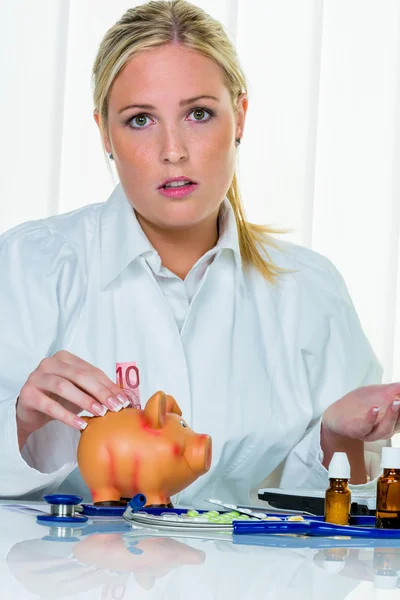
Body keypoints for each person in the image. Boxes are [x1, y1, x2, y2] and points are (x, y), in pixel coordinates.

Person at [0, 0, 399, 507]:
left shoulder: (311, 290)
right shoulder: (28, 266)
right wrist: (19, 419)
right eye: (140, 119)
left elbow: (346, 524)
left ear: (240, 117)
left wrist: (338, 436)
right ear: (104, 132)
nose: (173, 150)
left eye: (199, 114)